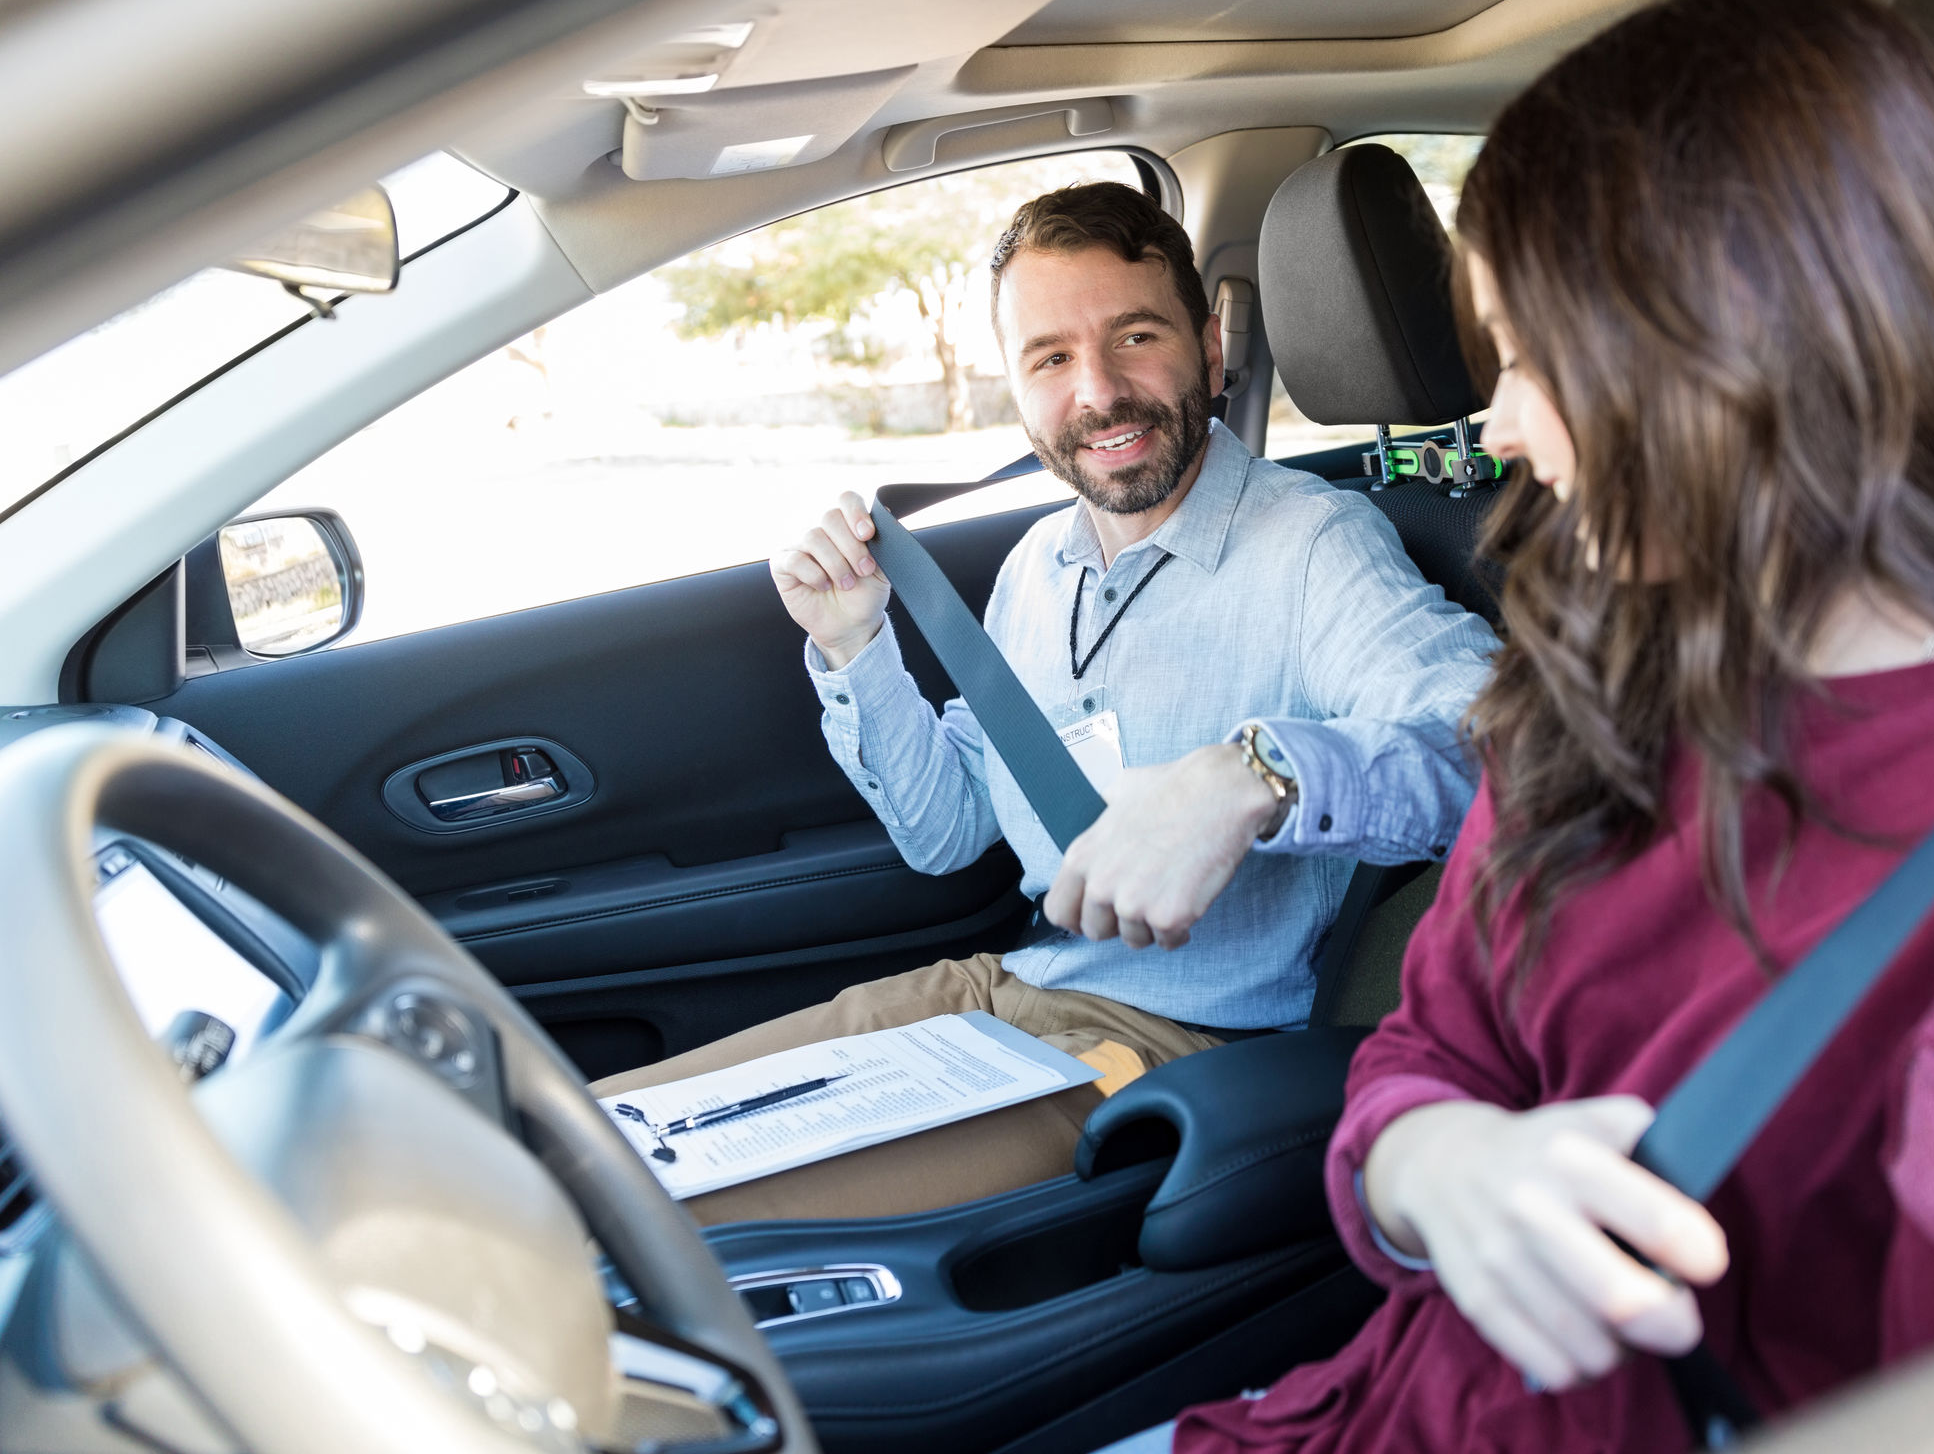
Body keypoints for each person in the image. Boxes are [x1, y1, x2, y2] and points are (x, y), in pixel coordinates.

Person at [1159, 0, 1934, 1453]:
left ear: (1747, 346)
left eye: (1542, 361)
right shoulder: (1602, 664)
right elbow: (1434, 1048)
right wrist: (1438, 1171)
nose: (1500, 431)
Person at [597, 182, 1497, 1224]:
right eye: (1052, 358)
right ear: (1019, 390)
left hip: (1167, 1042)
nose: (1099, 392)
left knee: (661, 1221)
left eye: (1136, 335)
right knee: (582, 1140)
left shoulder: (1313, 546)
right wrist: (855, 646)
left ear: (1210, 348)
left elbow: (1496, 740)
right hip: (996, 990)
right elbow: (948, 832)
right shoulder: (1037, 564)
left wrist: (1254, 773)